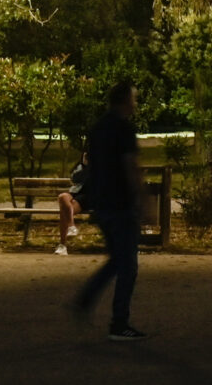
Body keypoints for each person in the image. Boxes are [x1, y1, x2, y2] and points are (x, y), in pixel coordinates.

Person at [72, 80, 146, 340]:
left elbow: (93, 165)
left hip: (101, 203)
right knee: (128, 266)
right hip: (121, 204)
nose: (135, 103)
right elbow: (130, 166)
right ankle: (119, 323)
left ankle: (85, 299)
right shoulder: (124, 129)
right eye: (133, 98)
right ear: (126, 100)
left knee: (117, 260)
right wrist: (140, 199)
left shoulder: (98, 128)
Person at [52, 151, 85, 257]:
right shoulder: (81, 166)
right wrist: (84, 165)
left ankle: (62, 245)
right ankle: (71, 226)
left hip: (88, 197)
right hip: (75, 193)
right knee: (62, 197)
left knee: (64, 210)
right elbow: (74, 179)